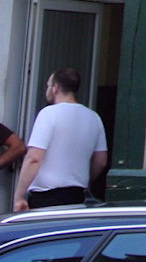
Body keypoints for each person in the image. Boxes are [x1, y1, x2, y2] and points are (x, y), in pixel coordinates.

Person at [12, 68, 108, 211]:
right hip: (77, 194)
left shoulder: (48, 114)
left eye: (48, 86)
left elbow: (34, 157)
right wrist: (83, 178)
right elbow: (101, 161)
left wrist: (19, 196)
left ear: (55, 88)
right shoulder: (94, 117)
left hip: (47, 196)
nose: (47, 90)